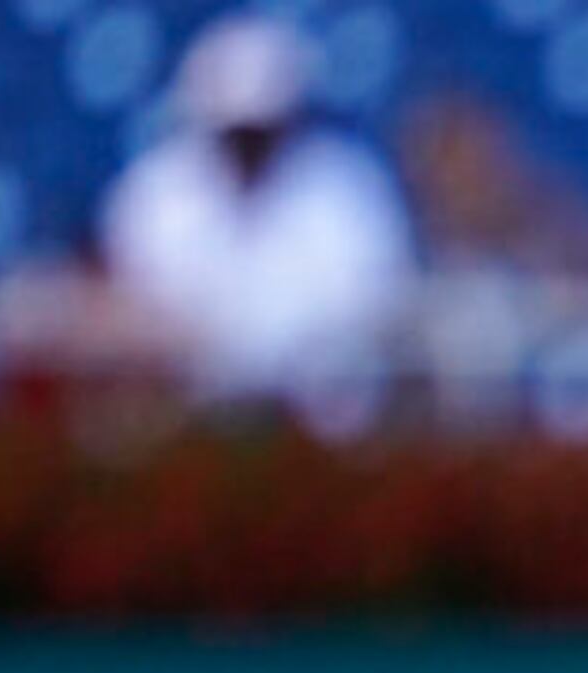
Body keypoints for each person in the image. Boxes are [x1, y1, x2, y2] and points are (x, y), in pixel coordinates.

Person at [96, 13, 414, 436]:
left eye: (261, 130)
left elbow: (381, 308)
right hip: (181, 420)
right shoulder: (155, 191)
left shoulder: (346, 189)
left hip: (325, 421)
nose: (248, 145)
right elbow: (123, 308)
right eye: (235, 130)